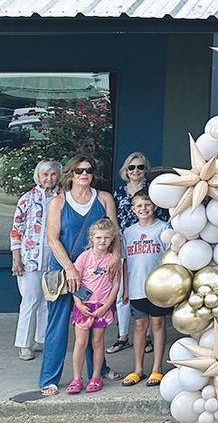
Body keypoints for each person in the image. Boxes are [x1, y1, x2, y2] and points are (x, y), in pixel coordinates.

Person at [39, 154, 119, 396]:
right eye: (78, 170)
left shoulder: (104, 199)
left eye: (89, 170)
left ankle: (98, 370)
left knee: (93, 320)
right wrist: (70, 269)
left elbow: (114, 234)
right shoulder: (59, 202)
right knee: (59, 323)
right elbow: (52, 238)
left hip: (95, 273)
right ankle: (49, 379)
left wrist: (115, 256)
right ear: (70, 174)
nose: (84, 174)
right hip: (65, 272)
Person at [107, 151, 166, 355]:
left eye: (140, 167)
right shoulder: (119, 193)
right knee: (124, 292)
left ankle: (148, 337)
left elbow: (163, 214)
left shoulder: (154, 191)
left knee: (149, 290)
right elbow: (113, 218)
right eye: (132, 167)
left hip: (151, 241)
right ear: (126, 170)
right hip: (127, 241)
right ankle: (123, 336)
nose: (136, 171)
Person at [9, 159, 60, 360]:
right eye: (45, 174)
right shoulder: (27, 198)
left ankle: (42, 340)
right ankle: (24, 344)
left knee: (48, 299)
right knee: (30, 300)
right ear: (38, 176)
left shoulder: (62, 197)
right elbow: (16, 230)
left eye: (53, 174)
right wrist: (16, 257)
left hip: (54, 256)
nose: (49, 178)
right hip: (30, 257)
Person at [119, 191, 169, 388]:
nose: (144, 209)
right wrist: (125, 288)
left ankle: (157, 368)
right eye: (139, 206)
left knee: (157, 324)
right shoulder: (128, 232)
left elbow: (169, 260)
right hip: (136, 286)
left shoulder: (163, 229)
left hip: (157, 288)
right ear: (133, 209)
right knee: (139, 326)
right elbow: (124, 262)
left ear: (155, 206)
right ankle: (138, 369)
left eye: (147, 205)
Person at [67, 217, 120, 394]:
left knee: (97, 342)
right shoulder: (84, 257)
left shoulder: (113, 260)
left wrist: (106, 306)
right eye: (98, 238)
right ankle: (76, 378)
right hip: (83, 306)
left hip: (102, 306)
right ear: (92, 238)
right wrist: (78, 303)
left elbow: (116, 285)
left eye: (106, 238)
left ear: (112, 238)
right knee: (80, 342)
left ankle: (96, 376)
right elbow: (76, 282)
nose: (102, 241)